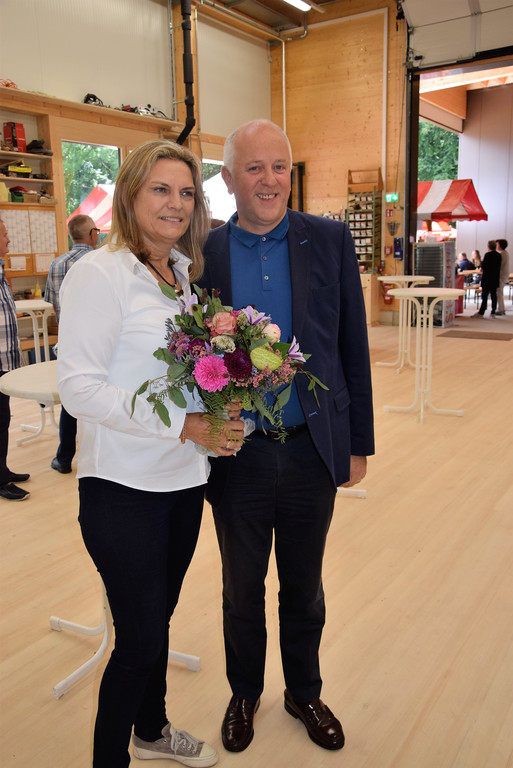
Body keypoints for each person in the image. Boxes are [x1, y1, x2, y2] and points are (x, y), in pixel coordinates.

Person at [57, 139, 244, 768]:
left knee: (156, 624)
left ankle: (152, 729)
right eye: (161, 189)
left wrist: (221, 408)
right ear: (130, 195)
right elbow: (79, 389)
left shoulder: (182, 278)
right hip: (121, 490)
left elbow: (182, 377)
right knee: (137, 642)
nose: (177, 204)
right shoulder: (100, 273)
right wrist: (184, 425)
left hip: (182, 483)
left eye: (187, 192)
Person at [198, 119, 374, 754]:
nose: (269, 180)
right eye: (254, 168)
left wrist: (358, 444)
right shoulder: (204, 253)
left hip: (310, 448)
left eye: (279, 167)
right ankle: (245, 692)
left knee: (304, 586)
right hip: (236, 454)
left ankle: (304, 690)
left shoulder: (327, 239)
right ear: (228, 179)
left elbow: (351, 343)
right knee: (241, 590)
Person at [44, 214, 99, 473]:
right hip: (98, 345)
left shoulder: (56, 264)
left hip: (67, 344)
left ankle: (64, 458)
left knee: (71, 399)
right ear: (93, 234)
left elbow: (53, 305)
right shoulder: (100, 262)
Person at [0, 217, 31, 501]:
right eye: (4, 235)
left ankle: (3, 470)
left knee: (3, 418)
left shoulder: (1, 272)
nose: (8, 239)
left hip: (5, 361)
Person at [472, 239, 501, 317]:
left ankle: (482, 311)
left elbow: (484, 267)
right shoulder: (498, 255)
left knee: (484, 295)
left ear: (488, 247)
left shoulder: (487, 255)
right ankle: (493, 311)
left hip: (487, 278)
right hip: (495, 278)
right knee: (493, 295)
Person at [495, 238, 509, 315]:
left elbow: (498, 265)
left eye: (497, 244)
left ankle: (500, 309)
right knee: (499, 292)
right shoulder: (505, 253)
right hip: (503, 275)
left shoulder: (501, 254)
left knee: (499, 292)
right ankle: (501, 309)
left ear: (500, 245)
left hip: (501, 275)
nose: (496, 246)